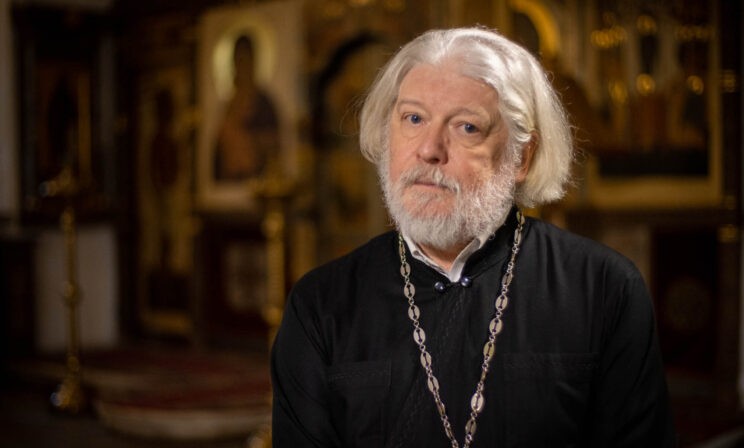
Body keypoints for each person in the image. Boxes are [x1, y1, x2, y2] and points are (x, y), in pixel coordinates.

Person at [271, 27, 676, 447]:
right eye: (413, 119)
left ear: (522, 157)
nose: (429, 149)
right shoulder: (320, 304)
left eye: (467, 127)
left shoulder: (605, 288)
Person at [214, 34, 280, 180]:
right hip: (229, 184)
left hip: (258, 180)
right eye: (237, 61)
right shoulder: (228, 105)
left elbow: (274, 145)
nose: (241, 67)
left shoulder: (265, 104)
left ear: (253, 61)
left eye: (245, 60)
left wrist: (248, 142)